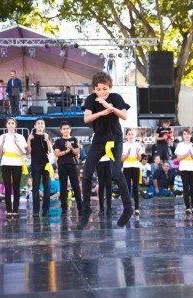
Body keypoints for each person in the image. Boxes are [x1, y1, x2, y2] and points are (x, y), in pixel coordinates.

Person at [81, 71, 133, 228]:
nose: (102, 92)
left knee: (116, 172)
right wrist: (103, 111)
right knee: (87, 172)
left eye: (105, 88)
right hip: (99, 140)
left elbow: (124, 116)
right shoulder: (91, 99)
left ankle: (128, 208)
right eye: (98, 89)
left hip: (115, 140)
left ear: (109, 87)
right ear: (94, 89)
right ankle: (86, 209)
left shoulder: (116, 98)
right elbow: (86, 118)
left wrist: (110, 107)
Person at [0, 118, 28, 218]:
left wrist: (16, 142)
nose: (10, 125)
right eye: (9, 123)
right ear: (6, 125)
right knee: (8, 186)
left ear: (15, 125)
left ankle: (15, 210)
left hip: (17, 163)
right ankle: (9, 210)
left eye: (12, 123)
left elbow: (24, 152)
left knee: (16, 186)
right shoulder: (2, 136)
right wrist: (3, 142)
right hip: (6, 162)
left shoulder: (20, 136)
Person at [53, 121, 83, 216]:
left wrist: (71, 147)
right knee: (63, 186)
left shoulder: (74, 139)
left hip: (73, 165)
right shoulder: (58, 141)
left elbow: (77, 152)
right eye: (64, 129)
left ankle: (80, 207)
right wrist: (66, 151)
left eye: (67, 128)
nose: (66, 130)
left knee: (76, 186)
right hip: (62, 165)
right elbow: (57, 153)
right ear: (61, 130)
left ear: (70, 129)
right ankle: (64, 208)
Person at [27, 118, 53, 218]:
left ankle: (46, 210)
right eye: (38, 123)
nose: (40, 125)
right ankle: (36, 211)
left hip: (46, 164)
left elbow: (50, 151)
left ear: (44, 126)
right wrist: (29, 141)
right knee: (36, 188)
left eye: (42, 123)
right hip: (35, 164)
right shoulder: (31, 136)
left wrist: (47, 141)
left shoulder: (47, 136)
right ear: (35, 125)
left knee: (47, 188)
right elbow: (28, 152)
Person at [175, 128, 193, 214]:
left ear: (190, 135)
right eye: (185, 134)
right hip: (183, 168)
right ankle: (187, 207)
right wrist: (186, 154)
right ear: (183, 135)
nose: (186, 136)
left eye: (188, 134)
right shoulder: (180, 145)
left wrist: (192, 155)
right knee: (185, 188)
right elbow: (178, 158)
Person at [121, 128, 142, 216]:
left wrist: (137, 154)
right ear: (126, 135)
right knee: (127, 187)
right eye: (129, 134)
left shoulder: (138, 145)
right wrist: (127, 154)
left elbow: (139, 158)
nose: (131, 136)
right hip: (127, 167)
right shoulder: (123, 145)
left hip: (136, 167)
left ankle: (137, 208)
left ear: (134, 135)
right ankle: (128, 208)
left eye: (132, 134)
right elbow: (121, 159)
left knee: (135, 188)